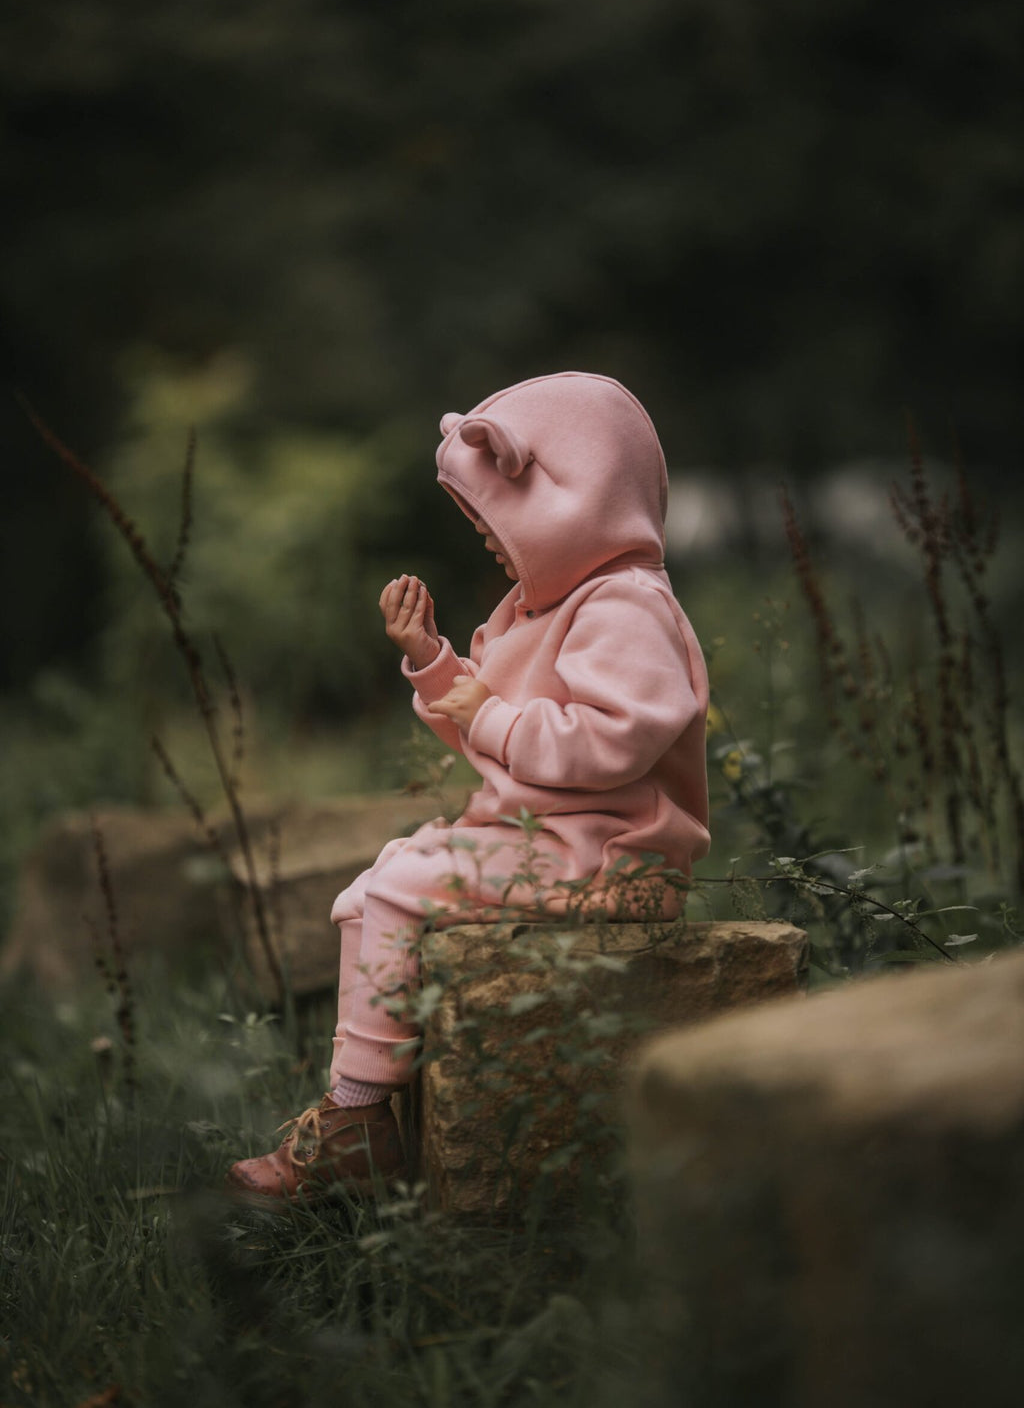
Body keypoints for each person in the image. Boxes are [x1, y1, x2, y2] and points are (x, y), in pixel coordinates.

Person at [226, 371, 710, 1200]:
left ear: (574, 499)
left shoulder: (625, 606)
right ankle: (362, 1112)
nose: (486, 537)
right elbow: (497, 737)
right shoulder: (538, 608)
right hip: (548, 841)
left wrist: (490, 714)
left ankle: (355, 1119)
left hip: (615, 852)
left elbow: (609, 742)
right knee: (368, 890)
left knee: (403, 885)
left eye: (495, 516)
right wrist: (433, 660)